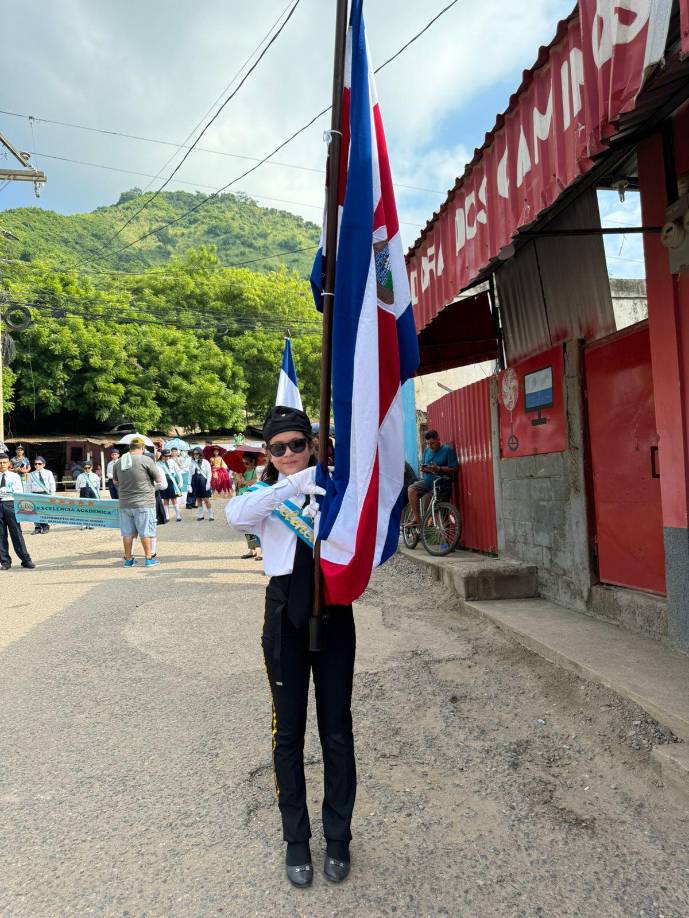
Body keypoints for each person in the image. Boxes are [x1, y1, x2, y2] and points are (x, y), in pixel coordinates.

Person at [226, 406, 356, 888]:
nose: (287, 455)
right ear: (268, 453)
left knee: (337, 729)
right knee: (289, 733)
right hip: (284, 613)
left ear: (311, 443)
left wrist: (324, 488)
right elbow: (233, 516)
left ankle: (338, 836)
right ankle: (297, 839)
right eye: (277, 448)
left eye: (296, 445)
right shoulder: (264, 495)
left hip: (334, 608)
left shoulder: (335, 487)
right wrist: (291, 487)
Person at [112, 438, 164, 568]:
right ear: (141, 448)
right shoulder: (146, 460)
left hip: (125, 503)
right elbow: (158, 479)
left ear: (130, 448)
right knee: (146, 532)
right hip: (144, 503)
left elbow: (115, 482)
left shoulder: (118, 462)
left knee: (127, 533)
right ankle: (148, 559)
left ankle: (128, 560)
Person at [406, 429, 458, 526]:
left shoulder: (447, 451)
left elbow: (454, 468)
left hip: (441, 484)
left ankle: (446, 539)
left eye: (432, 443)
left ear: (438, 439)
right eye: (428, 444)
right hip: (427, 482)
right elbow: (424, 464)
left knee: (437, 513)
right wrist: (424, 468)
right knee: (411, 489)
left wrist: (438, 468)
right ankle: (416, 518)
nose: (430, 446)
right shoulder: (426, 451)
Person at [0, 451, 35, 570]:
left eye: (4, 462)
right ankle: (5, 562)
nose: (2, 465)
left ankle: (26, 560)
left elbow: (19, 491)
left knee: (16, 532)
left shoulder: (14, 476)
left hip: (10, 504)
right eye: (0, 463)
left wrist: (7, 491)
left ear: (9, 463)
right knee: (1, 535)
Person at [233, 452, 262, 561]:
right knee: (245, 526)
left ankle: (260, 551)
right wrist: (237, 477)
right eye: (243, 463)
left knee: (255, 525)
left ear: (253, 461)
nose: (245, 465)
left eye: (247, 462)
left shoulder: (258, 470)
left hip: (252, 500)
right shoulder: (243, 471)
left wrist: (245, 482)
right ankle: (252, 549)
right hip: (242, 499)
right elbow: (240, 484)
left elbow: (257, 481)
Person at [28, 456, 57, 533]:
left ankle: (45, 526)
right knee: (35, 511)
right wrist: (28, 496)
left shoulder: (48, 472)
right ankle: (37, 527)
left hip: (45, 493)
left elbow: (52, 484)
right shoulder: (31, 474)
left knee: (44, 510)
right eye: (35, 464)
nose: (37, 465)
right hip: (34, 494)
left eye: (39, 463)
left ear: (43, 464)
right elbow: (29, 486)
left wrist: (52, 494)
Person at [157, 448, 184, 521]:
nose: (167, 457)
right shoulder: (158, 463)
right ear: (162, 456)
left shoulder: (172, 461)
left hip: (172, 481)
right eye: (166, 456)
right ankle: (167, 516)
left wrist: (181, 481)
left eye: (169, 456)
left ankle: (178, 515)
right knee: (165, 499)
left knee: (174, 499)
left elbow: (178, 471)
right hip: (163, 481)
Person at [74, 461, 102, 530]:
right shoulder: (80, 476)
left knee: (92, 508)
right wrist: (81, 491)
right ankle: (84, 523)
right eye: (85, 468)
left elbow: (98, 486)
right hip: (83, 492)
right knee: (83, 508)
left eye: (88, 468)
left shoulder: (95, 476)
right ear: (83, 468)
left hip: (92, 492)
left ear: (91, 467)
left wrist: (97, 493)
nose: (87, 469)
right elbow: (77, 486)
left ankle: (92, 523)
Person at [189, 447, 214, 521]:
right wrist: (188, 484)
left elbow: (209, 473)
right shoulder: (192, 463)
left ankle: (211, 515)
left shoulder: (205, 462)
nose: (195, 455)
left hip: (204, 481)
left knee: (206, 499)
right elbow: (190, 474)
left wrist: (208, 482)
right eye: (194, 454)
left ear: (200, 453)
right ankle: (200, 515)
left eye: (197, 453)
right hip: (195, 482)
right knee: (198, 498)